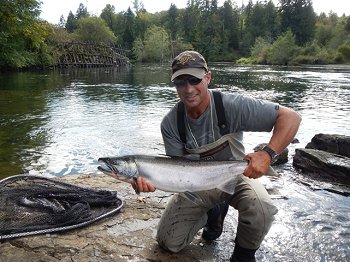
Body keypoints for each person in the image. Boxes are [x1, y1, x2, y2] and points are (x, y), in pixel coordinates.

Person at [135, 50, 302, 261]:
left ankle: (243, 255)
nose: (188, 89)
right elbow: (177, 173)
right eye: (180, 83)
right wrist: (150, 181)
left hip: (236, 176)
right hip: (196, 186)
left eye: (194, 80)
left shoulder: (230, 105)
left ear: (208, 77)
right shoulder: (170, 123)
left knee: (262, 207)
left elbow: (291, 117)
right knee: (168, 243)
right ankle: (211, 214)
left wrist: (267, 154)